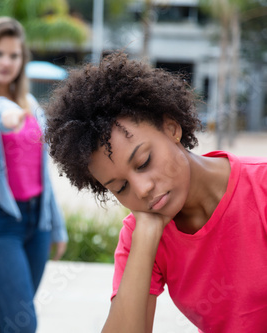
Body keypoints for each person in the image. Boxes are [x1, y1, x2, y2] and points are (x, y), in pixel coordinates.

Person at [43, 52, 267, 333]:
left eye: (143, 162)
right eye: (120, 188)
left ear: (171, 127)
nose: (142, 189)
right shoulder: (139, 233)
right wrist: (147, 236)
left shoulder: (261, 187)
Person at [0, 17, 68, 333]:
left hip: (35, 223)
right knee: (23, 324)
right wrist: (4, 114)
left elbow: (41, 174)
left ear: (22, 60)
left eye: (13, 55)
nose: (6, 62)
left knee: (6, 321)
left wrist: (56, 226)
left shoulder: (31, 103)